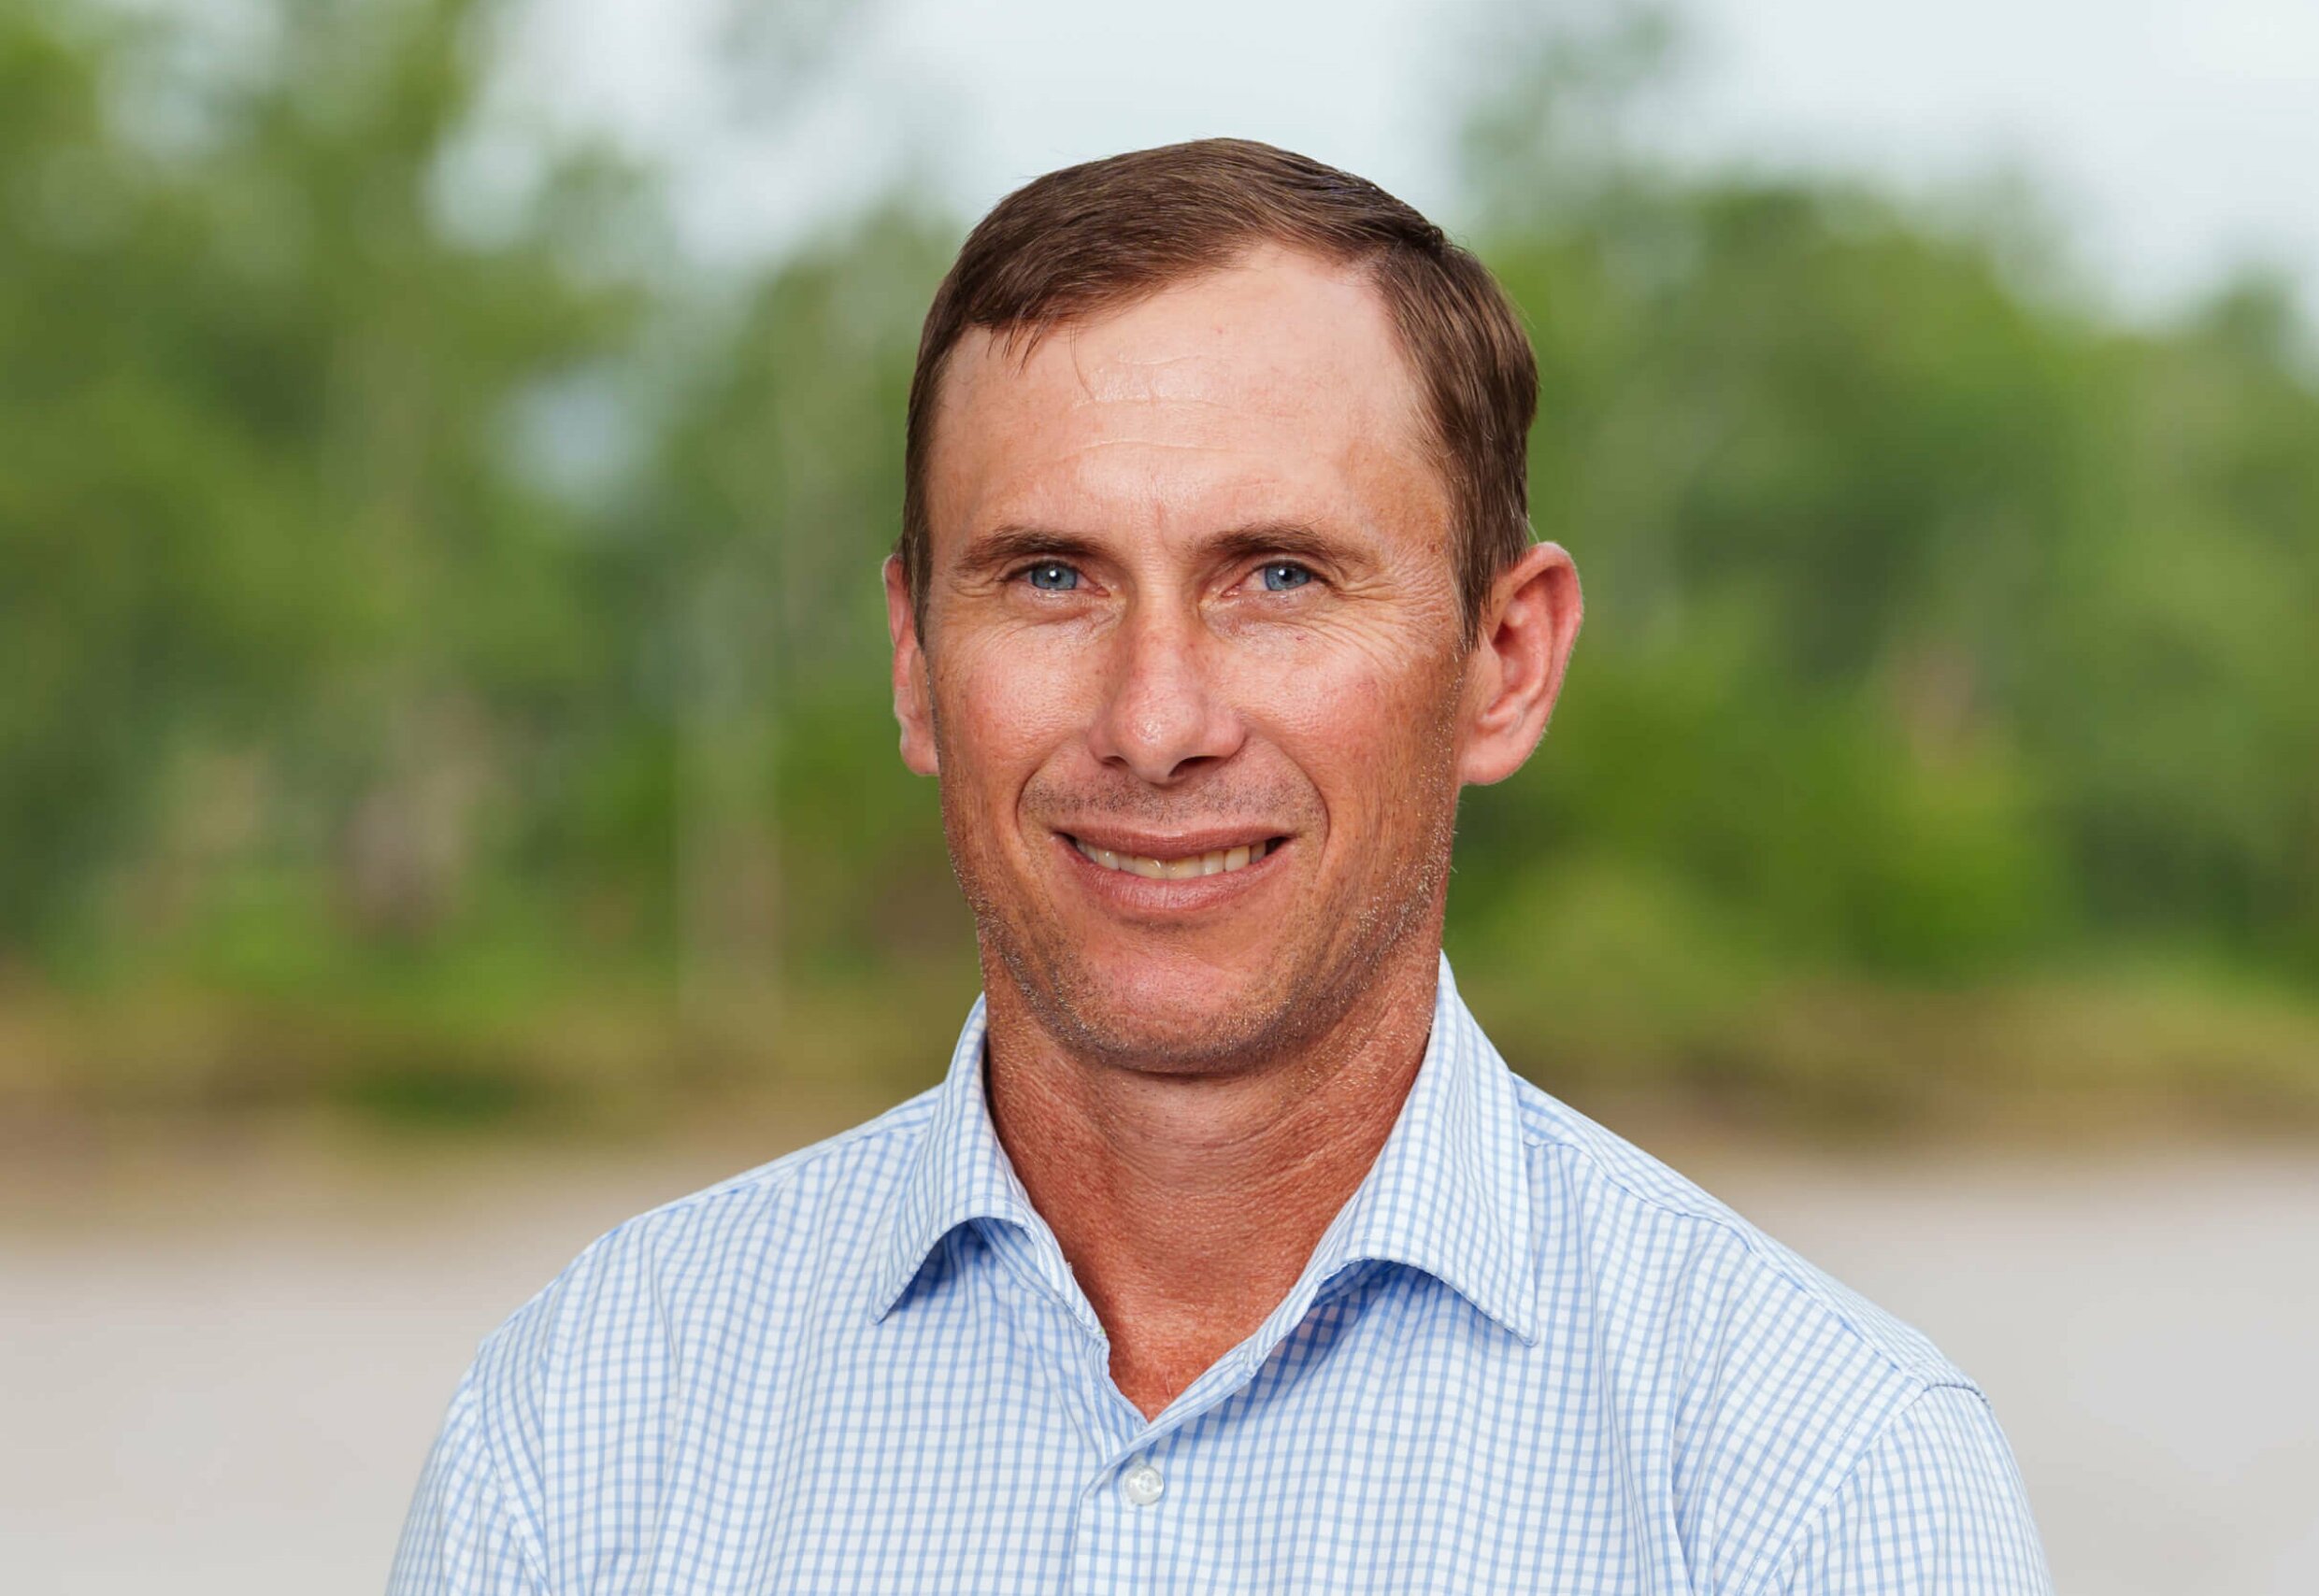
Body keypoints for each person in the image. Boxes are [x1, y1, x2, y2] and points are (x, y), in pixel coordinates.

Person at [391, 138, 2051, 1594]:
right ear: (913, 662)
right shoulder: (592, 1418)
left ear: (1505, 660)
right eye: (1051, 576)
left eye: (1279, 577)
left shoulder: (1823, 1488)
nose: (1157, 722)